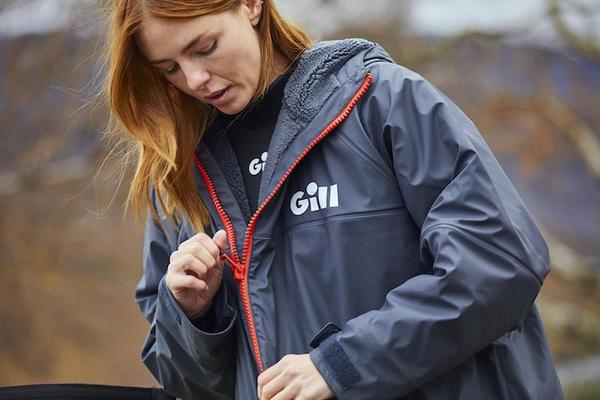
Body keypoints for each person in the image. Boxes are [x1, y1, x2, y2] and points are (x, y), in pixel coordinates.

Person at [105, 0, 564, 399]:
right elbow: (193, 384)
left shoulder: (380, 102)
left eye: (203, 47)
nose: (195, 78)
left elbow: (500, 264)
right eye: (169, 69)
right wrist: (193, 315)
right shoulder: (178, 173)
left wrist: (343, 363)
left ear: (250, 5)